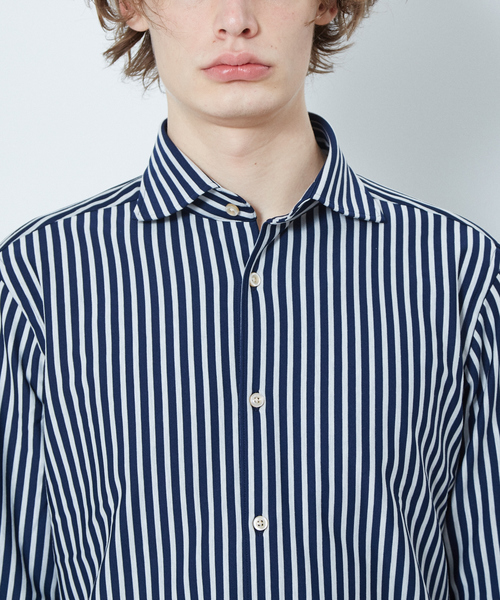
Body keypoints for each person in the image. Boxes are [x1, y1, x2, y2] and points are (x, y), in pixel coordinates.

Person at [1, 0, 499, 597]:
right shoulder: (36, 280)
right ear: (132, 6)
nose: (235, 18)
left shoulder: (461, 272)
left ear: (326, 4)